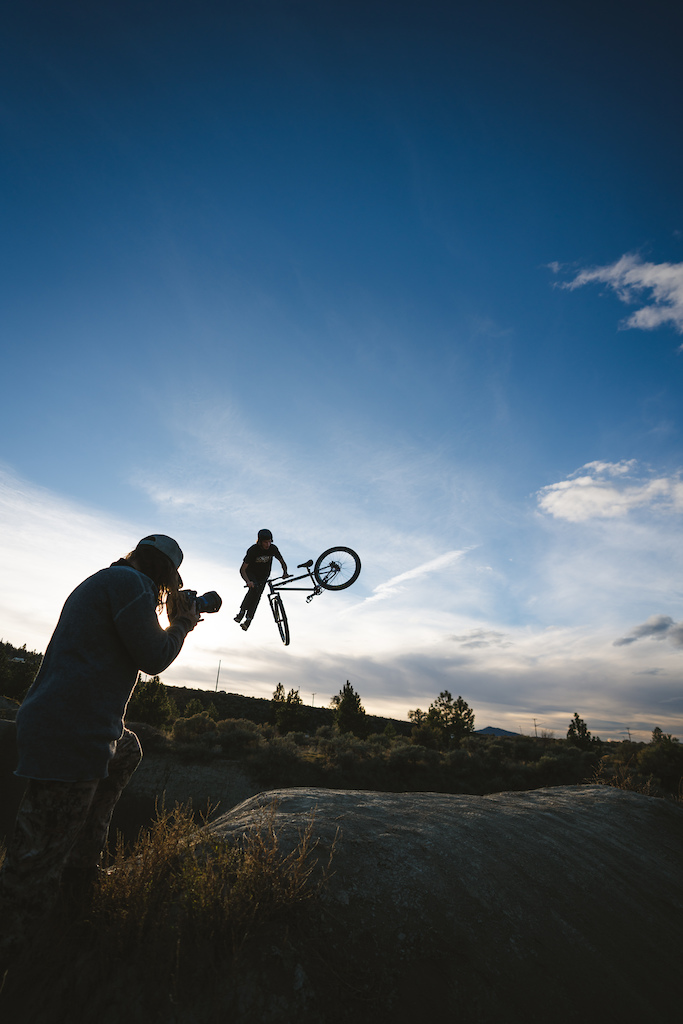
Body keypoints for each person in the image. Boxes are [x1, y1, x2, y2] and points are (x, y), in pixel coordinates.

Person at [0, 534, 201, 958]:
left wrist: (170, 613)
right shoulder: (130, 586)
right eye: (171, 581)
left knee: (126, 750)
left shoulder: (112, 581)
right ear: (164, 572)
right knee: (34, 861)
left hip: (67, 723)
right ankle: (17, 955)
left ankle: (81, 869)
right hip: (72, 733)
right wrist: (183, 621)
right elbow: (154, 657)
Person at [234, 529, 288, 631]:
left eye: (269, 542)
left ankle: (248, 619)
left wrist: (285, 572)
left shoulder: (273, 549)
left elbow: (282, 561)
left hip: (264, 575)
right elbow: (242, 569)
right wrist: (248, 581)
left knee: (257, 595)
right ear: (260, 542)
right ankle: (241, 612)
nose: (267, 544)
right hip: (251, 573)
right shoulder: (253, 550)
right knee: (254, 588)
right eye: (265, 542)